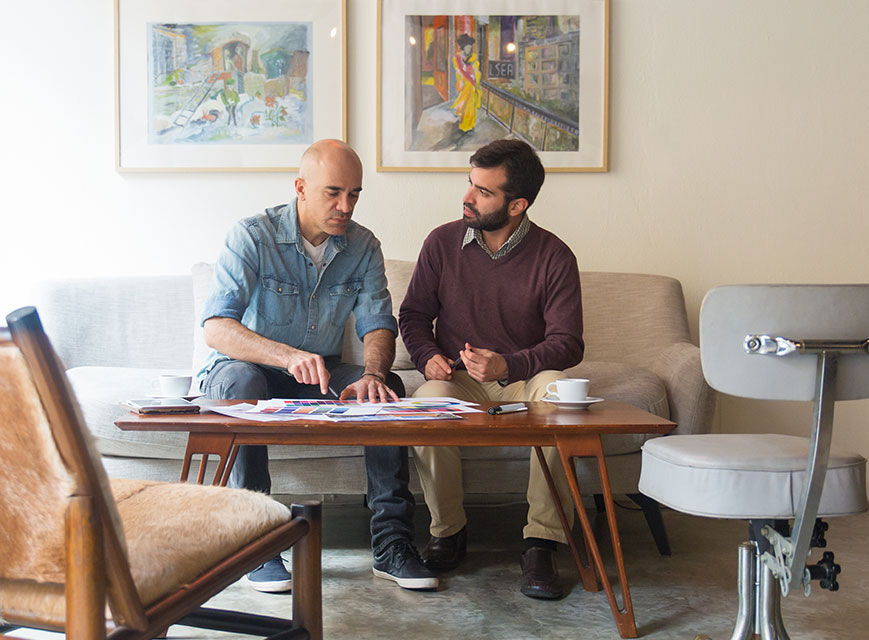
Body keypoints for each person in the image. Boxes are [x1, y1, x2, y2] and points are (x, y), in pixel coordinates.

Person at [198, 139, 437, 593]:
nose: (345, 206)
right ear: (301, 188)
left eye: (354, 194)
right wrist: (287, 356)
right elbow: (217, 328)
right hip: (243, 371)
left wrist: (372, 374)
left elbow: (378, 324)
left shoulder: (363, 246)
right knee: (243, 382)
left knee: (386, 388)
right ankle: (256, 543)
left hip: (320, 376)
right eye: (333, 193)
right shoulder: (252, 236)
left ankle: (392, 545)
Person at [398, 139, 583, 600]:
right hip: (457, 379)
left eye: (483, 191)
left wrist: (509, 364)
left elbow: (568, 342)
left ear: (517, 205)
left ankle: (542, 542)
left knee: (560, 394)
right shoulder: (441, 243)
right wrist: (426, 356)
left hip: (524, 380)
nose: (468, 197)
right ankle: (448, 532)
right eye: (470, 183)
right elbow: (414, 316)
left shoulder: (555, 255)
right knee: (426, 403)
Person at [452, 33, 481, 133]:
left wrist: (475, 74)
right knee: (464, 106)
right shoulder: (457, 57)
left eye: (470, 47)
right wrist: (462, 80)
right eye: (467, 47)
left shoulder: (474, 57)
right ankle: (464, 126)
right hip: (465, 84)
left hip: (472, 84)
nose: (469, 49)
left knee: (472, 105)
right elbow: (458, 71)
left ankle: (471, 125)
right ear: (463, 47)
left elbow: (476, 69)